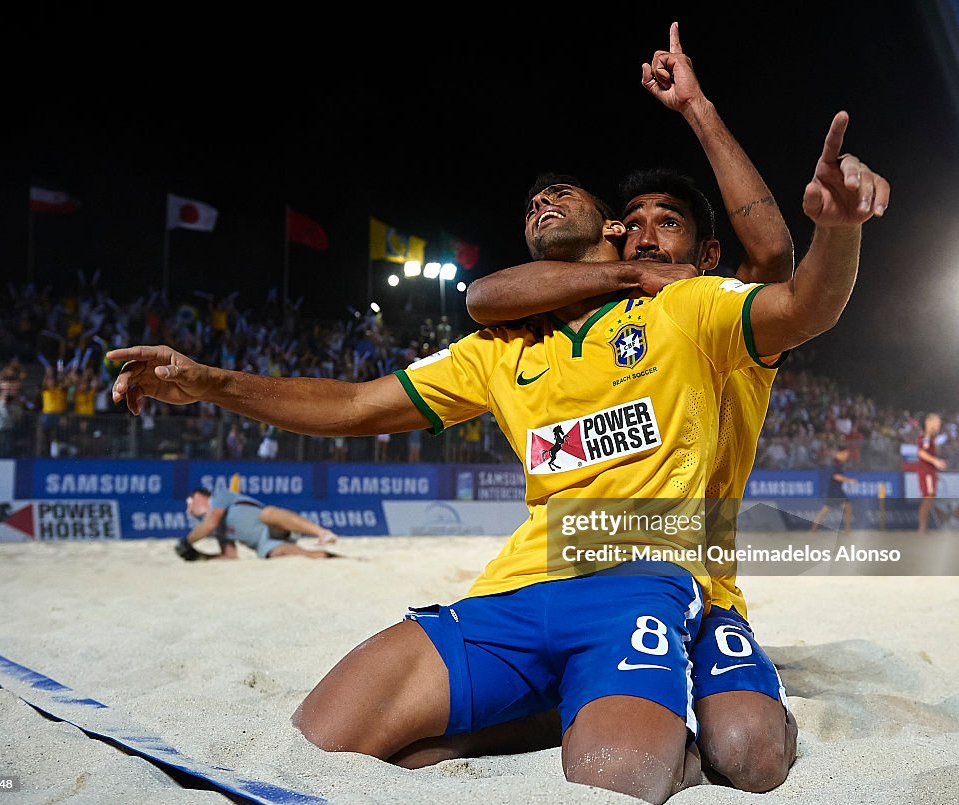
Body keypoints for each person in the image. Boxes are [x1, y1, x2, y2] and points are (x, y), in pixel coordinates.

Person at [108, 98, 887, 803]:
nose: (542, 201)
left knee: (712, 759)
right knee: (318, 737)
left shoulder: (683, 305)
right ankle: (559, 701)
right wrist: (210, 381)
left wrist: (839, 227)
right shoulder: (499, 347)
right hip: (517, 585)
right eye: (531, 203)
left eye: (563, 193)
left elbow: (794, 288)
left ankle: (626, 710)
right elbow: (352, 403)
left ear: (614, 227)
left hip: (656, 575)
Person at [462, 23, 801, 792]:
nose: (645, 235)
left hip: (703, 585)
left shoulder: (719, 316)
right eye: (632, 223)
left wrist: (697, 107)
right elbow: (486, 297)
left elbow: (778, 258)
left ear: (708, 255)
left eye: (669, 223)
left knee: (749, 756)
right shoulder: (621, 317)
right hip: (600, 582)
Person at [177, 486, 339, 561]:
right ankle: (337, 559)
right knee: (297, 554)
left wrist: (186, 542)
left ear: (199, 496)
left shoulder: (219, 496)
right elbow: (230, 556)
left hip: (272, 525)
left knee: (268, 513)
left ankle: (321, 532)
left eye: (189, 503)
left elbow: (209, 524)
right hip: (264, 544)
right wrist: (201, 557)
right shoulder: (219, 529)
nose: (189, 509)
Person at [810, 446, 858, 533]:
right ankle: (813, 530)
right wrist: (849, 480)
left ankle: (847, 529)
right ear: (841, 453)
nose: (847, 456)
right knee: (825, 511)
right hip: (834, 491)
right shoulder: (836, 463)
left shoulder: (838, 462)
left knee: (847, 507)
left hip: (837, 490)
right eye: (846, 454)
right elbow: (836, 476)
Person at [917, 412, 947, 533]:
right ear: (928, 423)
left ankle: (923, 528)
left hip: (930, 471)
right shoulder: (926, 436)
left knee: (930, 498)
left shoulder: (931, 437)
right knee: (928, 499)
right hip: (926, 472)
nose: (938, 424)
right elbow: (921, 452)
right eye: (936, 422)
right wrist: (935, 461)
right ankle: (922, 528)